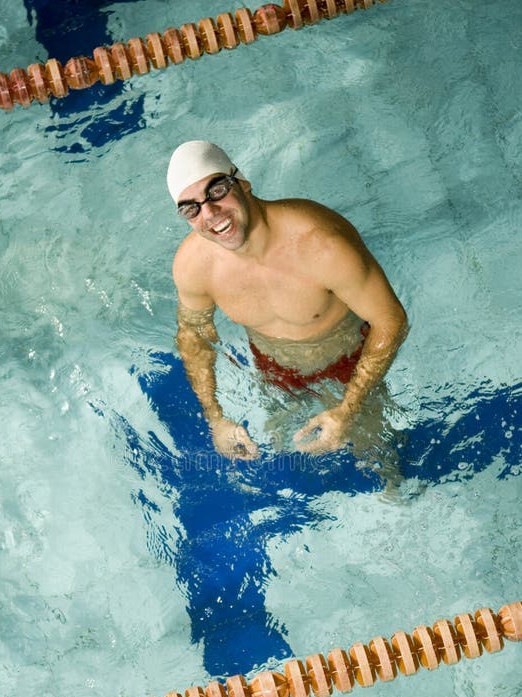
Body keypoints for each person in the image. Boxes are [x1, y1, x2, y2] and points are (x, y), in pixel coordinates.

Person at [168, 140, 408, 460]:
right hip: (273, 367)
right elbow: (193, 334)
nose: (210, 213)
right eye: (191, 208)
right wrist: (215, 419)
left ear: (242, 182)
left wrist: (348, 408)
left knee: (376, 450)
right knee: (281, 450)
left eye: (216, 190)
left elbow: (390, 320)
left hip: (349, 359)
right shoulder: (192, 267)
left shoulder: (320, 243)